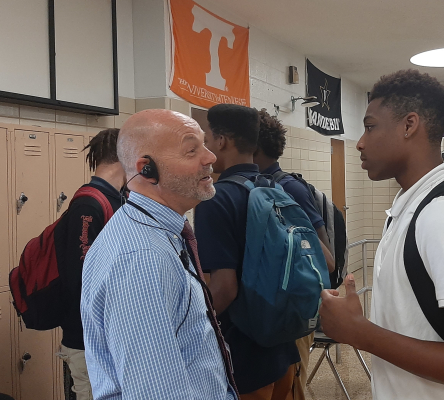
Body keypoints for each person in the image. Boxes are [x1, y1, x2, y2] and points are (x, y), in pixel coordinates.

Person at [319, 69, 444, 400]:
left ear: (409, 125)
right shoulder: (411, 206)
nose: (360, 142)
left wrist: (360, 333)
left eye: (370, 126)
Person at [80, 109, 237, 399]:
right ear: (146, 169)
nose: (210, 157)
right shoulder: (141, 257)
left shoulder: (159, 233)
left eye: (204, 144)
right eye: (192, 150)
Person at [194, 104, 299, 400]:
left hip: (244, 350)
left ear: (222, 142)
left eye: (208, 140)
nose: (206, 148)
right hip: (281, 342)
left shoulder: (217, 199)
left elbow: (224, 289)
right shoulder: (275, 189)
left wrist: (189, 325)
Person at [252, 109, 334, 400]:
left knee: (293, 389)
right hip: (273, 313)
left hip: (295, 313)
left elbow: (326, 258)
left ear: (252, 146)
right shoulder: (256, 189)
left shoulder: (289, 188)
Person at [57, 128, 125, 400]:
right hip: (86, 342)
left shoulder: (118, 198)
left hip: (107, 338)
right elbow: (83, 278)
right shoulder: (90, 203)